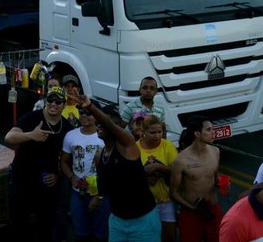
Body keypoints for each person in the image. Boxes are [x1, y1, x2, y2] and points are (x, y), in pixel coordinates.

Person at [77, 95, 161, 242]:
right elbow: (104, 186)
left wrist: (90, 107)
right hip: (117, 221)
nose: (99, 126)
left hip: (143, 221)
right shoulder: (100, 156)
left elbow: (108, 123)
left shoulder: (127, 146)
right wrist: (93, 193)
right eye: (98, 124)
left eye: (102, 124)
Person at [5, 85, 72, 240]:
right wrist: (31, 135)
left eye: (58, 101)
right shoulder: (32, 118)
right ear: (45, 101)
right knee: (20, 224)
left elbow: (67, 159)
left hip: (46, 183)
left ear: (64, 104)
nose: (53, 104)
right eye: (50, 100)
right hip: (22, 179)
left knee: (45, 225)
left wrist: (58, 174)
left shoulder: (67, 127)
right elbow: (9, 137)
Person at [169, 115, 224, 242]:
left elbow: (216, 179)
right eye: (209, 130)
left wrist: (221, 184)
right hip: (191, 213)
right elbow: (173, 193)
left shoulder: (216, 152)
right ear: (197, 133)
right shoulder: (181, 161)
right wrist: (193, 208)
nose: (213, 132)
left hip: (213, 210)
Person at [60, 103, 109, 242]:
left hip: (100, 193)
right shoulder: (70, 135)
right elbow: (64, 161)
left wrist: (99, 195)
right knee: (80, 233)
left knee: (101, 234)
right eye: (81, 112)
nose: (84, 116)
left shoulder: (104, 136)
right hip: (77, 193)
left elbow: (110, 170)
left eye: (88, 113)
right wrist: (71, 177)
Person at [137, 114, 178, 242]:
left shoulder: (168, 146)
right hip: (146, 202)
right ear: (143, 132)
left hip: (166, 200)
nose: (157, 136)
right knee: (149, 236)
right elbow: (131, 175)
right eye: (152, 132)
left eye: (160, 132)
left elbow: (177, 170)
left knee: (169, 236)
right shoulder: (135, 148)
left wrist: (158, 167)